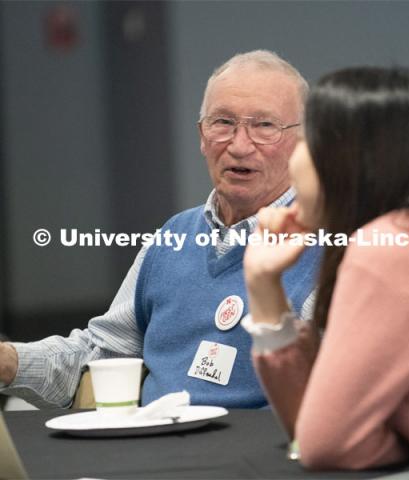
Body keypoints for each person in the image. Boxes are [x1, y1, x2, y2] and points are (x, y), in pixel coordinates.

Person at [0, 50, 321, 409]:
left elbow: (325, 399)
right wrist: (9, 361)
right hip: (148, 455)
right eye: (223, 123)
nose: (240, 145)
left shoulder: (330, 249)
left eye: (265, 126)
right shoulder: (172, 236)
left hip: (259, 459)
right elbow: (101, 358)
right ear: (202, 136)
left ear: (304, 143)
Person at [242, 66, 409, 468]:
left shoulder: (395, 245)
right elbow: (316, 431)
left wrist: (402, 446)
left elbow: (323, 444)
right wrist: (264, 285)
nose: (294, 160)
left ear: (348, 158)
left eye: (305, 141)